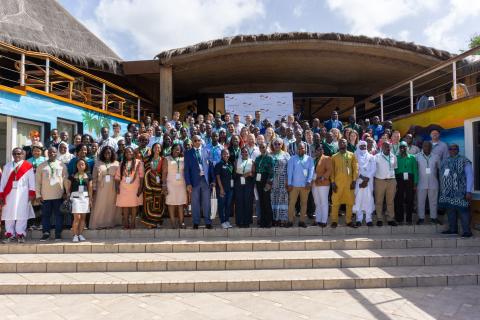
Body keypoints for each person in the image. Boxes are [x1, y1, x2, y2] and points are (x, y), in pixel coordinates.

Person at [0, 148, 36, 243]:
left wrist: (32, 193)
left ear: (22, 154)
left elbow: (32, 181)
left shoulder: (28, 166)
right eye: (15, 154)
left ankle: (20, 234)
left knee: (22, 214)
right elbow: (3, 181)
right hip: (9, 194)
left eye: (19, 154)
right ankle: (9, 234)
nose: (17, 155)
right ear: (12, 155)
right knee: (9, 213)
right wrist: (1, 194)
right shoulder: (7, 166)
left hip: (23, 194)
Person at [440, 144, 474, 237]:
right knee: (450, 211)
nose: (452, 150)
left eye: (454, 149)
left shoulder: (464, 160)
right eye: (450, 149)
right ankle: (453, 229)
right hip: (447, 192)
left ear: (458, 150)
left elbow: (470, 176)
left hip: (461, 191)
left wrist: (468, 191)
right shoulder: (445, 161)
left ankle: (467, 231)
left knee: (463, 211)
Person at [36, 146, 68, 241]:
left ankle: (58, 234)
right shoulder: (41, 166)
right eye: (50, 152)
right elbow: (37, 182)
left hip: (59, 195)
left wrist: (66, 192)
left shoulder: (62, 165)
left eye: (54, 152)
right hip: (45, 196)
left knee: (59, 215)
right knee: (46, 216)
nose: (52, 154)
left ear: (56, 153)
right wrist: (38, 195)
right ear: (47, 153)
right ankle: (46, 233)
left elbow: (65, 179)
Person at [184, 135, 215, 229]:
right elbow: (186, 170)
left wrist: (213, 180)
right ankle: (196, 222)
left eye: (199, 140)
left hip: (205, 180)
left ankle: (207, 222)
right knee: (195, 203)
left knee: (206, 202)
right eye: (195, 140)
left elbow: (211, 167)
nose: (197, 142)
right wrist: (188, 183)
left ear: (201, 141)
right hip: (194, 181)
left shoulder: (207, 151)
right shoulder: (188, 153)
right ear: (192, 142)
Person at [330, 139, 358, 228]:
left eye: (344, 142)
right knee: (335, 202)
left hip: (349, 183)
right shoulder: (334, 157)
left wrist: (354, 180)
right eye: (340, 142)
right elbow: (332, 171)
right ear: (338, 144)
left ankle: (348, 221)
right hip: (338, 184)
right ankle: (334, 221)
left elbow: (355, 168)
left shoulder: (352, 155)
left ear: (346, 144)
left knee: (350, 202)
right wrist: (333, 182)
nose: (342, 143)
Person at [90, 146, 120, 229]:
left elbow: (119, 176)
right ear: (103, 153)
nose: (107, 154)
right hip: (101, 187)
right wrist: (94, 188)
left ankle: (109, 223)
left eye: (109, 153)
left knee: (111, 205)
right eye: (106, 152)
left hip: (112, 186)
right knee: (100, 204)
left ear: (112, 154)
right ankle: (98, 223)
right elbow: (94, 176)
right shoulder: (98, 163)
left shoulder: (116, 163)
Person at [115, 147, 144, 229]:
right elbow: (117, 177)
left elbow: (141, 176)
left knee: (134, 205)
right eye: (127, 152)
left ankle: (133, 222)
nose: (129, 153)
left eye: (130, 152)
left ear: (133, 153)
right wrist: (117, 187)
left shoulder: (139, 163)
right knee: (125, 206)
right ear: (124, 154)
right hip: (123, 187)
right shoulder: (122, 163)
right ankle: (126, 222)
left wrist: (140, 187)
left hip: (135, 187)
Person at [287, 142, 314, 228]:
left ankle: (302, 221)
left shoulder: (309, 159)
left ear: (305, 149)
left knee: (304, 203)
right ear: (296, 149)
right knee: (292, 203)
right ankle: (290, 220)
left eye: (302, 148)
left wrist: (309, 181)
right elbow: (289, 172)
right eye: (299, 148)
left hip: (305, 185)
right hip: (294, 185)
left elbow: (311, 171)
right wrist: (289, 183)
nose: (300, 150)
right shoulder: (292, 159)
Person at [162, 143, 187, 229]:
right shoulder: (167, 159)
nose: (177, 150)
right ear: (171, 149)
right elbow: (164, 173)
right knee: (171, 203)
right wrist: (164, 185)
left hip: (181, 184)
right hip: (170, 184)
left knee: (181, 204)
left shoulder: (183, 159)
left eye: (178, 149)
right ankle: (173, 223)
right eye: (175, 149)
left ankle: (181, 222)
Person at [67, 158, 93, 242]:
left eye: (82, 164)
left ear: (85, 166)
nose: (81, 166)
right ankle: (75, 235)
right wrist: (68, 196)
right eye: (79, 164)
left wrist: (90, 199)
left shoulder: (89, 175)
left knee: (83, 218)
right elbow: (68, 188)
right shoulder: (72, 175)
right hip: (75, 197)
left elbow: (90, 188)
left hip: (85, 197)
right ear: (76, 166)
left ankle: (80, 234)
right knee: (77, 217)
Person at [416, 141, 441, 225]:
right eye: (425, 146)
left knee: (433, 201)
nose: (427, 147)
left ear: (431, 147)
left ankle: (434, 218)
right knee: (420, 201)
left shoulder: (436, 157)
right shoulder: (417, 157)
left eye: (429, 146)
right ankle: (421, 218)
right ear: (422, 147)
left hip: (433, 182)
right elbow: (415, 170)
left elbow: (440, 170)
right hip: (421, 182)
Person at [352, 141, 376, 226]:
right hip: (359, 181)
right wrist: (362, 178)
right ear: (358, 147)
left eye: (365, 146)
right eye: (361, 146)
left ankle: (368, 219)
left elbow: (373, 169)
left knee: (369, 200)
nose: (363, 148)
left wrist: (366, 179)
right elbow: (354, 169)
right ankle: (359, 219)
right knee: (359, 200)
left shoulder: (371, 157)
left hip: (369, 182)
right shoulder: (354, 156)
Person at [374, 141, 398, 226]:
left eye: (389, 147)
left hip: (391, 181)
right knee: (379, 200)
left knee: (390, 201)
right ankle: (379, 218)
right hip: (380, 181)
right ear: (381, 147)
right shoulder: (376, 157)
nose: (387, 148)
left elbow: (394, 168)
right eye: (385, 147)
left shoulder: (394, 157)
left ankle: (390, 218)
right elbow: (373, 169)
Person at [394, 141, 418, 225]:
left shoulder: (412, 157)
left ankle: (409, 219)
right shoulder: (396, 157)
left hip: (410, 179)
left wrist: (415, 183)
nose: (402, 148)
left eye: (404, 147)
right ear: (399, 149)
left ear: (407, 148)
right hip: (399, 179)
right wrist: (395, 183)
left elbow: (415, 170)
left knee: (410, 199)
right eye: (401, 147)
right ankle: (399, 218)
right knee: (399, 199)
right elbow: (395, 170)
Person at [142, 143, 165, 227]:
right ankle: (149, 223)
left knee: (159, 204)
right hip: (148, 184)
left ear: (161, 149)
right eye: (155, 147)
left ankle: (157, 222)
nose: (157, 149)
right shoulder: (147, 159)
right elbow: (145, 170)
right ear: (152, 149)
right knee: (149, 203)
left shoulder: (163, 159)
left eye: (159, 147)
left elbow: (164, 172)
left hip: (159, 186)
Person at [271, 138, 290, 226]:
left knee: (282, 200)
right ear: (273, 145)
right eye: (275, 144)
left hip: (283, 180)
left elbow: (289, 169)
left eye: (279, 144)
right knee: (273, 199)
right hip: (273, 180)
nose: (277, 145)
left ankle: (282, 220)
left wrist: (287, 181)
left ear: (282, 145)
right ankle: (275, 219)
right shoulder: (270, 155)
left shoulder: (286, 155)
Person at [234, 147, 255, 227]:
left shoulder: (251, 161)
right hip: (239, 182)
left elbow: (253, 173)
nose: (244, 153)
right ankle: (239, 221)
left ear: (248, 153)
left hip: (248, 182)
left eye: (246, 152)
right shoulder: (237, 161)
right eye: (243, 152)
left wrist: (249, 174)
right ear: (241, 153)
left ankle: (247, 221)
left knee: (248, 202)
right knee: (239, 202)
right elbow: (235, 173)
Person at [312, 144, 332, 227]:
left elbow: (330, 170)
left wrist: (323, 177)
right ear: (315, 151)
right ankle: (318, 219)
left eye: (320, 149)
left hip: (323, 183)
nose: (319, 151)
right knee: (317, 202)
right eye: (317, 150)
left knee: (323, 202)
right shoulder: (313, 159)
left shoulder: (327, 158)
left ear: (323, 150)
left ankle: (324, 221)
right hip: (314, 183)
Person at [255, 142, 274, 228]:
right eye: (261, 147)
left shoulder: (269, 158)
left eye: (263, 147)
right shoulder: (257, 158)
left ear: (266, 148)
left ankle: (269, 222)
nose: (262, 149)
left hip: (266, 180)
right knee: (261, 201)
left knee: (266, 201)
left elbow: (272, 172)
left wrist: (269, 183)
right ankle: (263, 222)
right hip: (259, 181)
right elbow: (255, 170)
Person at [215, 149, 234, 229]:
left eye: (227, 154)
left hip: (230, 189)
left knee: (228, 206)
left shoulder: (230, 164)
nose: (226, 155)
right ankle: (222, 221)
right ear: (221, 155)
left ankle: (227, 221)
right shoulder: (219, 164)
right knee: (221, 206)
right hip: (221, 189)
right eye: (224, 154)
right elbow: (218, 177)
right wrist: (221, 188)